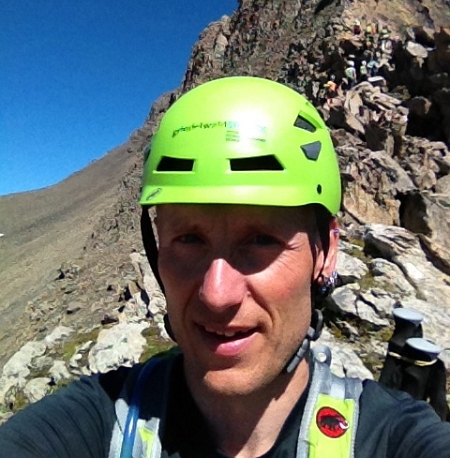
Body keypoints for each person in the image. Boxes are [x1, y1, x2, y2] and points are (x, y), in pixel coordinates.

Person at [1, 76, 449, 458]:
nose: (217, 294)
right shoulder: (97, 420)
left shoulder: (393, 437)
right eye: (189, 239)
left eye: (261, 240)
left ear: (326, 250)